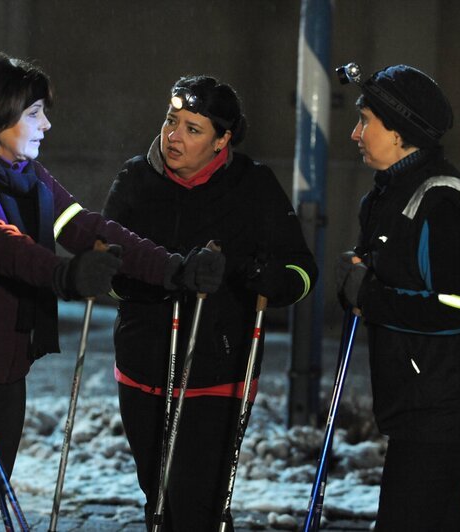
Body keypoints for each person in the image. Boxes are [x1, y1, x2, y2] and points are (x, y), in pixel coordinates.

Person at [0, 51, 225, 531]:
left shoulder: (31, 179)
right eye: (34, 113)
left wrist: (175, 269)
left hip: (6, 369)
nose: (46, 125)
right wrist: (64, 275)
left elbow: (89, 227)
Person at [102, 75, 318, 531]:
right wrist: (165, 276)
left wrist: (253, 275)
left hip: (216, 377)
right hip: (144, 372)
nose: (173, 136)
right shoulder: (135, 179)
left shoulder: (253, 185)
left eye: (192, 129)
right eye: (171, 120)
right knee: (159, 500)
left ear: (222, 140)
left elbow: (301, 271)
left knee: (197, 505)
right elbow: (110, 274)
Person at [334, 62, 460, 531]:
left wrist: (368, 294)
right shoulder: (387, 196)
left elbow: (459, 306)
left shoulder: (440, 201)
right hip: (424, 396)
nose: (355, 133)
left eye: (365, 121)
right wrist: (359, 279)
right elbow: (391, 276)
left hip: (451, 401)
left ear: (399, 133)